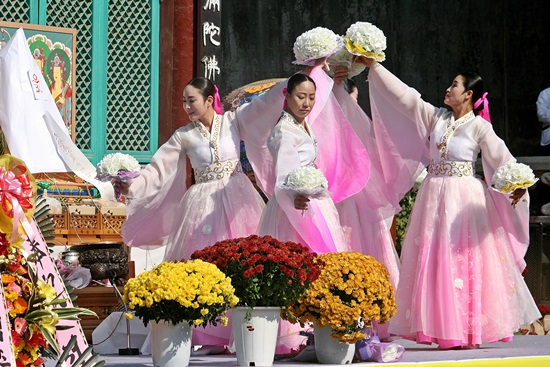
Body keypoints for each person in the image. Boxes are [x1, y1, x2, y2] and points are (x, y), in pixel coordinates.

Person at [355, 56, 541, 349]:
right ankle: (442, 327)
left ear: (468, 94)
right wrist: (374, 67)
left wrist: (515, 187)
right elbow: (406, 98)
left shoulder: (479, 127)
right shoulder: (437, 117)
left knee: (463, 260)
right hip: (434, 194)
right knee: (435, 257)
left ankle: (467, 330)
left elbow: (503, 161)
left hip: (464, 197)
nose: (448, 89)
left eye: (454, 85)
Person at [119, 72, 292, 350]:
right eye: (184, 102)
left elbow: (263, 106)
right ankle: (210, 334)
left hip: (238, 197)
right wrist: (130, 187)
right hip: (202, 202)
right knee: (205, 265)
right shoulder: (183, 136)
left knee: (245, 263)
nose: (187, 107)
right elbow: (157, 169)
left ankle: (248, 331)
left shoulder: (234, 121)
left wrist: (292, 82)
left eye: (192, 101)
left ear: (210, 100)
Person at [257, 62, 370, 354]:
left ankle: (322, 326)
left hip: (312, 201)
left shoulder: (301, 123)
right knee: (300, 265)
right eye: (300, 97)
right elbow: (283, 176)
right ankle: (296, 333)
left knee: (317, 264)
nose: (306, 103)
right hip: (294, 207)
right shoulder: (285, 131)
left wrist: (331, 73)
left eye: (311, 97)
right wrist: (294, 198)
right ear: (287, 96)